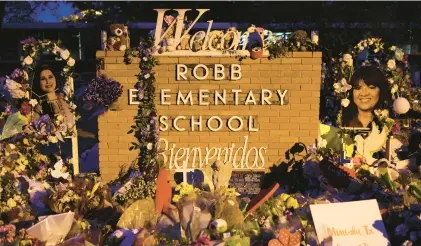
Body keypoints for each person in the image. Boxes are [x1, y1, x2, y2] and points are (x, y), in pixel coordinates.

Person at [31, 64, 74, 129]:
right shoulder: (38, 105)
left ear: (55, 78)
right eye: (43, 79)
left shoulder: (64, 98)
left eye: (50, 77)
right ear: (38, 82)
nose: (48, 81)